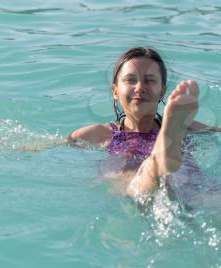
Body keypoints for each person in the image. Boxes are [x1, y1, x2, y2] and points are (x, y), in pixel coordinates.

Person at [68, 47, 210, 198]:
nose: (140, 87)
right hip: (136, 187)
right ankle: (160, 158)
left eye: (149, 80)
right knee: (134, 178)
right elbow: (51, 145)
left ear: (162, 91)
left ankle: (162, 157)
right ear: (115, 91)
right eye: (131, 80)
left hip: (184, 186)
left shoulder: (185, 125)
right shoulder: (100, 133)